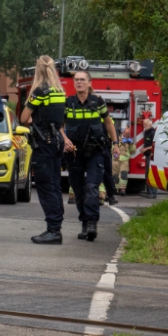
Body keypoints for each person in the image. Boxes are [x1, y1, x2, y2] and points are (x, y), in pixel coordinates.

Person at [20, 55, 71, 244]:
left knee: (44, 185)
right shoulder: (60, 91)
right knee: (55, 185)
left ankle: (53, 229)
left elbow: (24, 117)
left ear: (38, 70)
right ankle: (56, 225)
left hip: (44, 142)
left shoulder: (40, 91)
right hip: (56, 140)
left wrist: (32, 118)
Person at [64, 70, 117, 241]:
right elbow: (59, 125)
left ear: (88, 83)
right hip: (74, 153)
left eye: (82, 80)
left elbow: (108, 122)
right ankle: (85, 222)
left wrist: (115, 143)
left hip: (95, 151)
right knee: (79, 190)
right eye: (76, 80)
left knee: (92, 187)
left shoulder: (97, 102)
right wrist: (64, 139)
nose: (79, 82)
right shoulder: (68, 103)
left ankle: (93, 223)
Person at [137, 118, 157, 199]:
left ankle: (153, 193)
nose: (144, 126)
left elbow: (154, 145)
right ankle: (149, 192)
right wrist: (143, 149)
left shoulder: (153, 133)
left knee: (151, 174)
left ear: (150, 124)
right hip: (147, 155)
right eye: (143, 125)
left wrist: (145, 149)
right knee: (147, 174)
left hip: (152, 156)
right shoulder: (146, 132)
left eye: (145, 124)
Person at [114, 129, 135, 195]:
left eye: (128, 134)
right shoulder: (116, 139)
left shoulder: (129, 141)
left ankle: (122, 189)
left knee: (124, 175)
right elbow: (112, 148)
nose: (127, 135)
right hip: (116, 160)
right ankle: (115, 189)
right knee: (115, 176)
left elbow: (133, 151)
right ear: (123, 132)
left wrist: (131, 143)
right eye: (126, 133)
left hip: (124, 161)